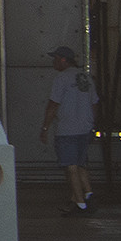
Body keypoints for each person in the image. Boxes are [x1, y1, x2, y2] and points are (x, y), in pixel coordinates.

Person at [42, 46, 99, 213]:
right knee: (81, 164)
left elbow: (53, 105)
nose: (53, 62)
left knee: (71, 166)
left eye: (55, 59)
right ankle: (88, 194)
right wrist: (93, 125)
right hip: (85, 127)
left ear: (63, 60)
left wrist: (45, 127)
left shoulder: (62, 79)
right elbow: (95, 103)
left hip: (68, 129)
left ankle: (80, 204)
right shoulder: (87, 78)